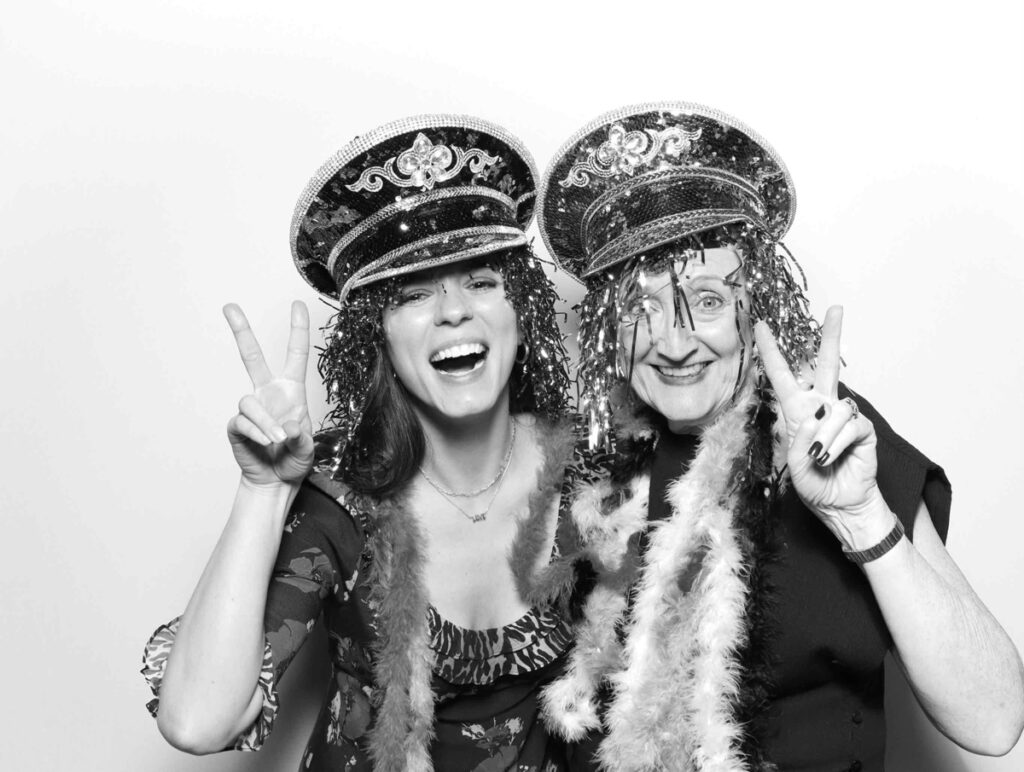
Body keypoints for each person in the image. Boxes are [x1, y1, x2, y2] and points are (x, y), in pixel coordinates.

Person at [535, 102, 1024, 771]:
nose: (674, 344)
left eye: (706, 301)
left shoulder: (829, 431)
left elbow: (994, 720)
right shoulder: (578, 461)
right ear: (605, 332)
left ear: (754, 307)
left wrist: (859, 516)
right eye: (639, 309)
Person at [141, 115, 584, 771]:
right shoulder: (341, 497)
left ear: (521, 311)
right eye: (413, 294)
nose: (454, 310)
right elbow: (198, 722)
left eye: (481, 281)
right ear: (376, 339)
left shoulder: (584, 468)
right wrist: (263, 491)